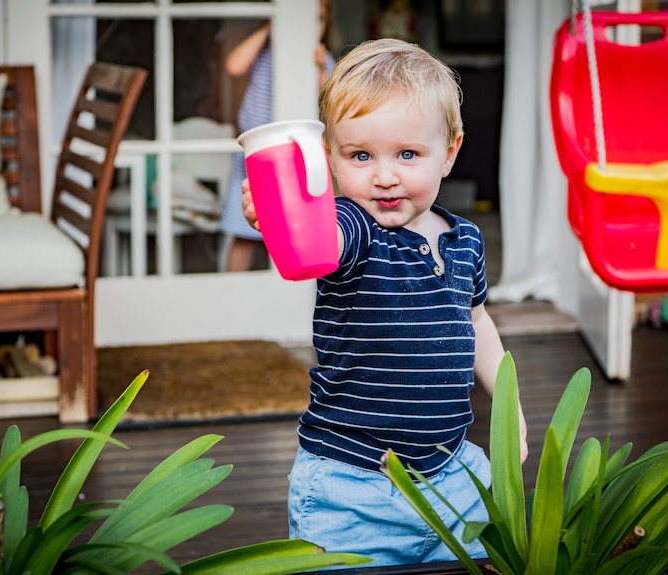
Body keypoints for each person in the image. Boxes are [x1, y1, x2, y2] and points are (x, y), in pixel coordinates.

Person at [241, 38, 529, 567]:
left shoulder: (466, 239)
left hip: (453, 481)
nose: (385, 175)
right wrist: (278, 211)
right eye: (360, 156)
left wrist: (508, 404)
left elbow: (478, 323)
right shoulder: (357, 227)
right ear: (331, 158)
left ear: (449, 152)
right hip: (352, 491)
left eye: (407, 154)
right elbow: (321, 239)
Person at [219, 0, 334, 272]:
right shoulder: (266, 50)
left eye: (319, 19)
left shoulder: (322, 59)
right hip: (255, 155)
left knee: (296, 227)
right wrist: (269, 27)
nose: (311, 26)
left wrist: (320, 70)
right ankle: (233, 292)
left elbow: (333, 99)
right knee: (243, 232)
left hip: (299, 156)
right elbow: (234, 66)